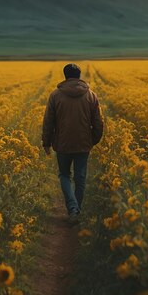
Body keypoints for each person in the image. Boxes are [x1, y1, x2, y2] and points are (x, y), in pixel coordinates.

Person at [42, 63, 104, 225]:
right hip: (84, 143)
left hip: (62, 143)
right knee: (80, 177)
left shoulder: (55, 95)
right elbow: (98, 122)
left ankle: (73, 209)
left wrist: (46, 142)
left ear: (65, 76)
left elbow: (49, 121)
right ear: (79, 76)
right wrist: (93, 140)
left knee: (64, 175)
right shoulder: (91, 95)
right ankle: (76, 210)